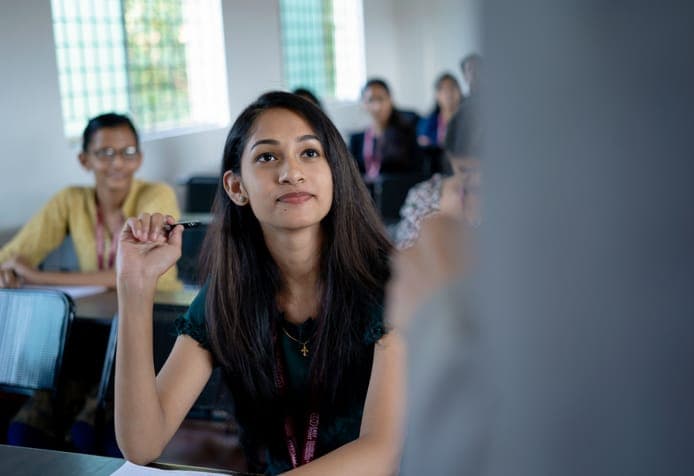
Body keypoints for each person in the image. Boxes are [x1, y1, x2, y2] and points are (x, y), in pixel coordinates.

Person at [113, 92, 405, 475]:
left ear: (335, 170)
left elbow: (382, 452)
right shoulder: (227, 295)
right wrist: (134, 289)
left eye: (310, 153)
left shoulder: (391, 284)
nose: (291, 172)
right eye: (267, 157)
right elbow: (141, 443)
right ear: (237, 188)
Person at [0, 112, 182, 291]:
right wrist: (6, 271)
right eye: (106, 153)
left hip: (159, 309)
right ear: (84, 160)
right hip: (97, 313)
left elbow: (142, 270)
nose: (118, 163)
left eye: (128, 152)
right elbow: (13, 256)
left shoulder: (158, 194)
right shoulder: (71, 200)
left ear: (139, 158)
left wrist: (39, 277)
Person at [394, 98, 482, 249]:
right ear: (450, 158)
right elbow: (404, 258)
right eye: (464, 170)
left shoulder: (515, 202)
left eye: (484, 171)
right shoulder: (424, 198)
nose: (475, 179)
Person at [349, 79, 419, 181]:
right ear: (364, 104)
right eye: (371, 100)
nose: (377, 107)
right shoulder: (357, 140)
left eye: (381, 99)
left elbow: (416, 172)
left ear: (390, 100)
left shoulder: (406, 135)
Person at [416, 73, 462, 148]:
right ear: (436, 95)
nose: (448, 93)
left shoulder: (471, 121)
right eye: (443, 89)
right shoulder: (426, 123)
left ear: (460, 92)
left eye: (452, 87)